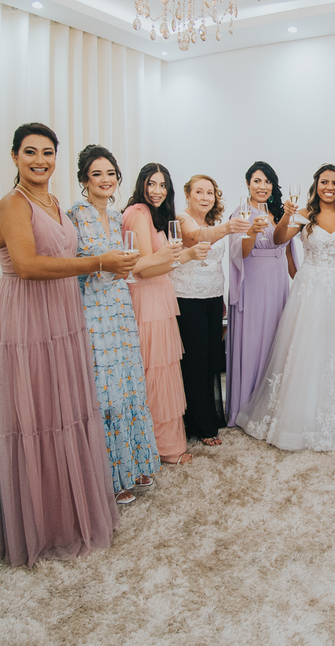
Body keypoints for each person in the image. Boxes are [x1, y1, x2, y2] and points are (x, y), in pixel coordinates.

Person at [0, 123, 136, 566]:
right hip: (27, 317)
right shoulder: (13, 204)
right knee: (38, 416)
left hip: (64, 315)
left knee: (67, 412)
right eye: (30, 152)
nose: (40, 160)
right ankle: (43, 524)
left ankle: (71, 512)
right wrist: (99, 262)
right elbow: (28, 265)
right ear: (14, 156)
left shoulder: (53, 203)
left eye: (47, 152)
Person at [236, 164, 335, 451]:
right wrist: (287, 215)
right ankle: (299, 416)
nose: (329, 187)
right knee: (309, 346)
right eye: (324, 182)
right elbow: (279, 239)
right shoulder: (304, 214)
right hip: (312, 288)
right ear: (316, 185)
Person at [67, 145, 160, 505]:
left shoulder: (118, 215)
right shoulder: (76, 215)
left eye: (110, 174)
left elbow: (127, 263)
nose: (105, 180)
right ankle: (111, 477)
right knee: (104, 391)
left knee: (129, 381)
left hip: (120, 305)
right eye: (97, 174)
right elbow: (72, 266)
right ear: (84, 179)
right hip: (93, 309)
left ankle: (134, 463)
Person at [122, 163, 209, 465]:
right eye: (152, 184)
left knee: (164, 370)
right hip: (147, 300)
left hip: (161, 296)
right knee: (154, 372)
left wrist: (184, 255)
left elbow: (159, 263)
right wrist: (185, 255)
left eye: (162, 185)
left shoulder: (155, 215)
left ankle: (166, 444)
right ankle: (160, 448)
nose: (157, 191)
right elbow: (142, 268)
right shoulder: (138, 213)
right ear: (141, 185)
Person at [174, 174, 250, 446]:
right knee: (195, 362)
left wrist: (220, 297)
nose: (205, 197)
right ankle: (200, 424)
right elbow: (193, 239)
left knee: (210, 360)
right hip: (188, 298)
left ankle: (208, 415)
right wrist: (228, 227)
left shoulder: (212, 223)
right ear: (188, 195)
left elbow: (216, 264)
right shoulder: (183, 219)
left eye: (210, 193)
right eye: (199, 192)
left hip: (212, 298)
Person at [226, 161, 297, 428]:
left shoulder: (278, 213)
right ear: (248, 184)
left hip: (278, 284)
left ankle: (272, 405)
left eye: (267, 181)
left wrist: (301, 282)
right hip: (254, 284)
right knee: (254, 341)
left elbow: (287, 252)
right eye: (257, 181)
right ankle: (245, 407)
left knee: (277, 340)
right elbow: (241, 254)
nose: (263, 186)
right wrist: (252, 231)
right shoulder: (241, 213)